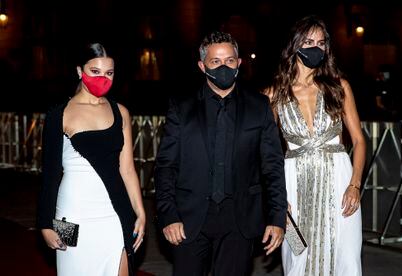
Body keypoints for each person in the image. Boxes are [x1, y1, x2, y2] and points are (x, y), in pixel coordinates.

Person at [155, 31, 287, 275]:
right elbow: (165, 166)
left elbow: (273, 166)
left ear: (239, 63)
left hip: (240, 219)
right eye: (215, 61)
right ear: (202, 66)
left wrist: (277, 218)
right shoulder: (181, 107)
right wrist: (168, 214)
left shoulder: (259, 106)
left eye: (229, 60)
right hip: (189, 218)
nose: (223, 66)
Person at [265, 15, 366, 275]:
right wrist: (275, 196)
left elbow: (358, 140)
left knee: (346, 256)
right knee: (298, 257)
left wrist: (355, 185)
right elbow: (264, 151)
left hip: (340, 180)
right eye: (308, 41)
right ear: (295, 45)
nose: (315, 48)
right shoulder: (274, 93)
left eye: (321, 43)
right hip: (294, 184)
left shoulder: (339, 87)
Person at [37, 43, 146, 276]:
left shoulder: (121, 112)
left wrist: (141, 212)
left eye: (109, 73)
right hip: (72, 212)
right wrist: (45, 224)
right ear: (80, 71)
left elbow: (127, 169)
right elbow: (50, 174)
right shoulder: (60, 114)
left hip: (114, 213)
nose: (102, 78)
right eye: (95, 71)